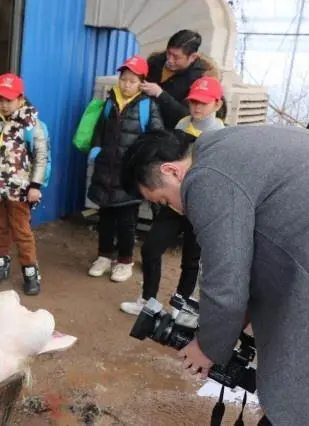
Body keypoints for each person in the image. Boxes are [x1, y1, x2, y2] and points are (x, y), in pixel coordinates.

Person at [120, 126, 309, 425]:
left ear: (172, 171)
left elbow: (226, 282)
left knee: (295, 390)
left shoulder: (206, 178)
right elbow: (249, 263)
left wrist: (208, 347)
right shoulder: (223, 146)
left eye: (164, 201)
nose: (176, 210)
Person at [120, 76, 226, 315]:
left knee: (191, 258)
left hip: (201, 206)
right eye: (193, 102)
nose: (197, 107)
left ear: (217, 104)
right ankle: (148, 300)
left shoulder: (222, 135)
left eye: (203, 103)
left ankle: (182, 304)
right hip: (174, 201)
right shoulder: (181, 125)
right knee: (150, 249)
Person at [86, 55, 164, 282]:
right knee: (106, 218)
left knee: (127, 222)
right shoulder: (110, 101)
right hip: (106, 171)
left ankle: (124, 261)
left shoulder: (148, 106)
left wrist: (143, 162)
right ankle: (103, 256)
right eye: (123, 79)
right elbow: (99, 129)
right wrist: (97, 148)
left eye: (132, 80)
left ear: (141, 82)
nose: (126, 84)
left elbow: (156, 137)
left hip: (129, 175)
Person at [0, 73, 49, 296]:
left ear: (20, 98)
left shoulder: (32, 124)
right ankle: (2, 266)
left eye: (8, 100)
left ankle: (31, 273)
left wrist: (36, 186)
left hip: (20, 190)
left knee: (22, 231)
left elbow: (41, 156)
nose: (3, 104)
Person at [142, 29, 218, 129]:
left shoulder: (201, 78)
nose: (169, 60)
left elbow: (188, 115)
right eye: (168, 53)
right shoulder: (155, 61)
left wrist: (160, 94)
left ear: (192, 57)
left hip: (173, 131)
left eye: (176, 57)